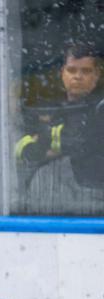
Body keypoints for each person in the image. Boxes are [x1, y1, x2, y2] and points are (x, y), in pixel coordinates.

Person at [15, 43, 103, 190]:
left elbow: (89, 148)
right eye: (71, 70)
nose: (78, 76)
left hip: (95, 196)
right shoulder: (42, 109)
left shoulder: (101, 110)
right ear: (62, 73)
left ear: (96, 75)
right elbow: (21, 151)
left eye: (86, 71)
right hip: (47, 194)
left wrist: (46, 140)